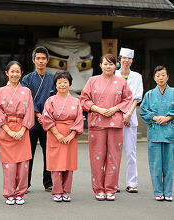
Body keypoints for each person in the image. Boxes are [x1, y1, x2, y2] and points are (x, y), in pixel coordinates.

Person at [80, 54, 132, 201]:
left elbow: (127, 98)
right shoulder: (92, 81)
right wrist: (98, 109)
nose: (108, 66)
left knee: (114, 157)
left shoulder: (121, 82)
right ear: (100, 65)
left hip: (115, 122)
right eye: (105, 64)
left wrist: (115, 109)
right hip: (97, 122)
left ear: (115, 66)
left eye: (111, 64)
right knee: (97, 157)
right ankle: (98, 189)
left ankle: (110, 189)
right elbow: (84, 99)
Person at [0, 61, 34, 205]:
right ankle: (9, 193)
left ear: (21, 73)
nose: (15, 74)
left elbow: (29, 112)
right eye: (12, 71)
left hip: (22, 129)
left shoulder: (27, 91)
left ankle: (20, 193)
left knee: (23, 164)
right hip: (6, 129)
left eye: (17, 72)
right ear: (6, 73)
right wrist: (9, 130)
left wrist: (23, 129)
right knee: (9, 165)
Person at [41, 71, 83, 202]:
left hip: (71, 134)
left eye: (65, 82)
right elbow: (47, 118)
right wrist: (57, 134)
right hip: (55, 134)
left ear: (70, 84)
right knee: (56, 163)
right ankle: (57, 190)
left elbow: (79, 119)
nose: (62, 84)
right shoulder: (50, 100)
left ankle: (66, 190)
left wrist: (72, 134)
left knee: (68, 164)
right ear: (55, 85)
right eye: (59, 82)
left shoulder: (76, 101)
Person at [22, 46, 56, 192]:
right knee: (28, 154)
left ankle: (48, 182)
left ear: (47, 60)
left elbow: (55, 98)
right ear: (33, 60)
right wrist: (37, 114)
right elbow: (27, 99)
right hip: (31, 120)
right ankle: (25, 183)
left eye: (43, 58)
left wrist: (46, 115)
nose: (41, 61)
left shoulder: (53, 78)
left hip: (48, 121)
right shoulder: (27, 79)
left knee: (48, 152)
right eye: (38, 58)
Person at [140, 65, 174, 202]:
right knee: (156, 164)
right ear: (154, 78)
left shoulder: (173, 92)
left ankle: (168, 191)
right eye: (158, 75)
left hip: (169, 131)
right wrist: (155, 117)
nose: (161, 77)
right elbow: (143, 111)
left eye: (163, 75)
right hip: (154, 132)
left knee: (169, 164)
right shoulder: (149, 95)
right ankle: (158, 191)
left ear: (168, 77)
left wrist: (168, 117)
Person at [115, 48, 143, 193]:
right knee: (114, 152)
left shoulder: (137, 76)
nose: (126, 61)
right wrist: (121, 114)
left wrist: (128, 114)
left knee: (131, 152)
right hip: (115, 118)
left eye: (129, 58)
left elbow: (137, 98)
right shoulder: (113, 74)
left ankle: (132, 183)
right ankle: (113, 183)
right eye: (124, 58)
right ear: (120, 59)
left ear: (132, 60)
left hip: (130, 118)